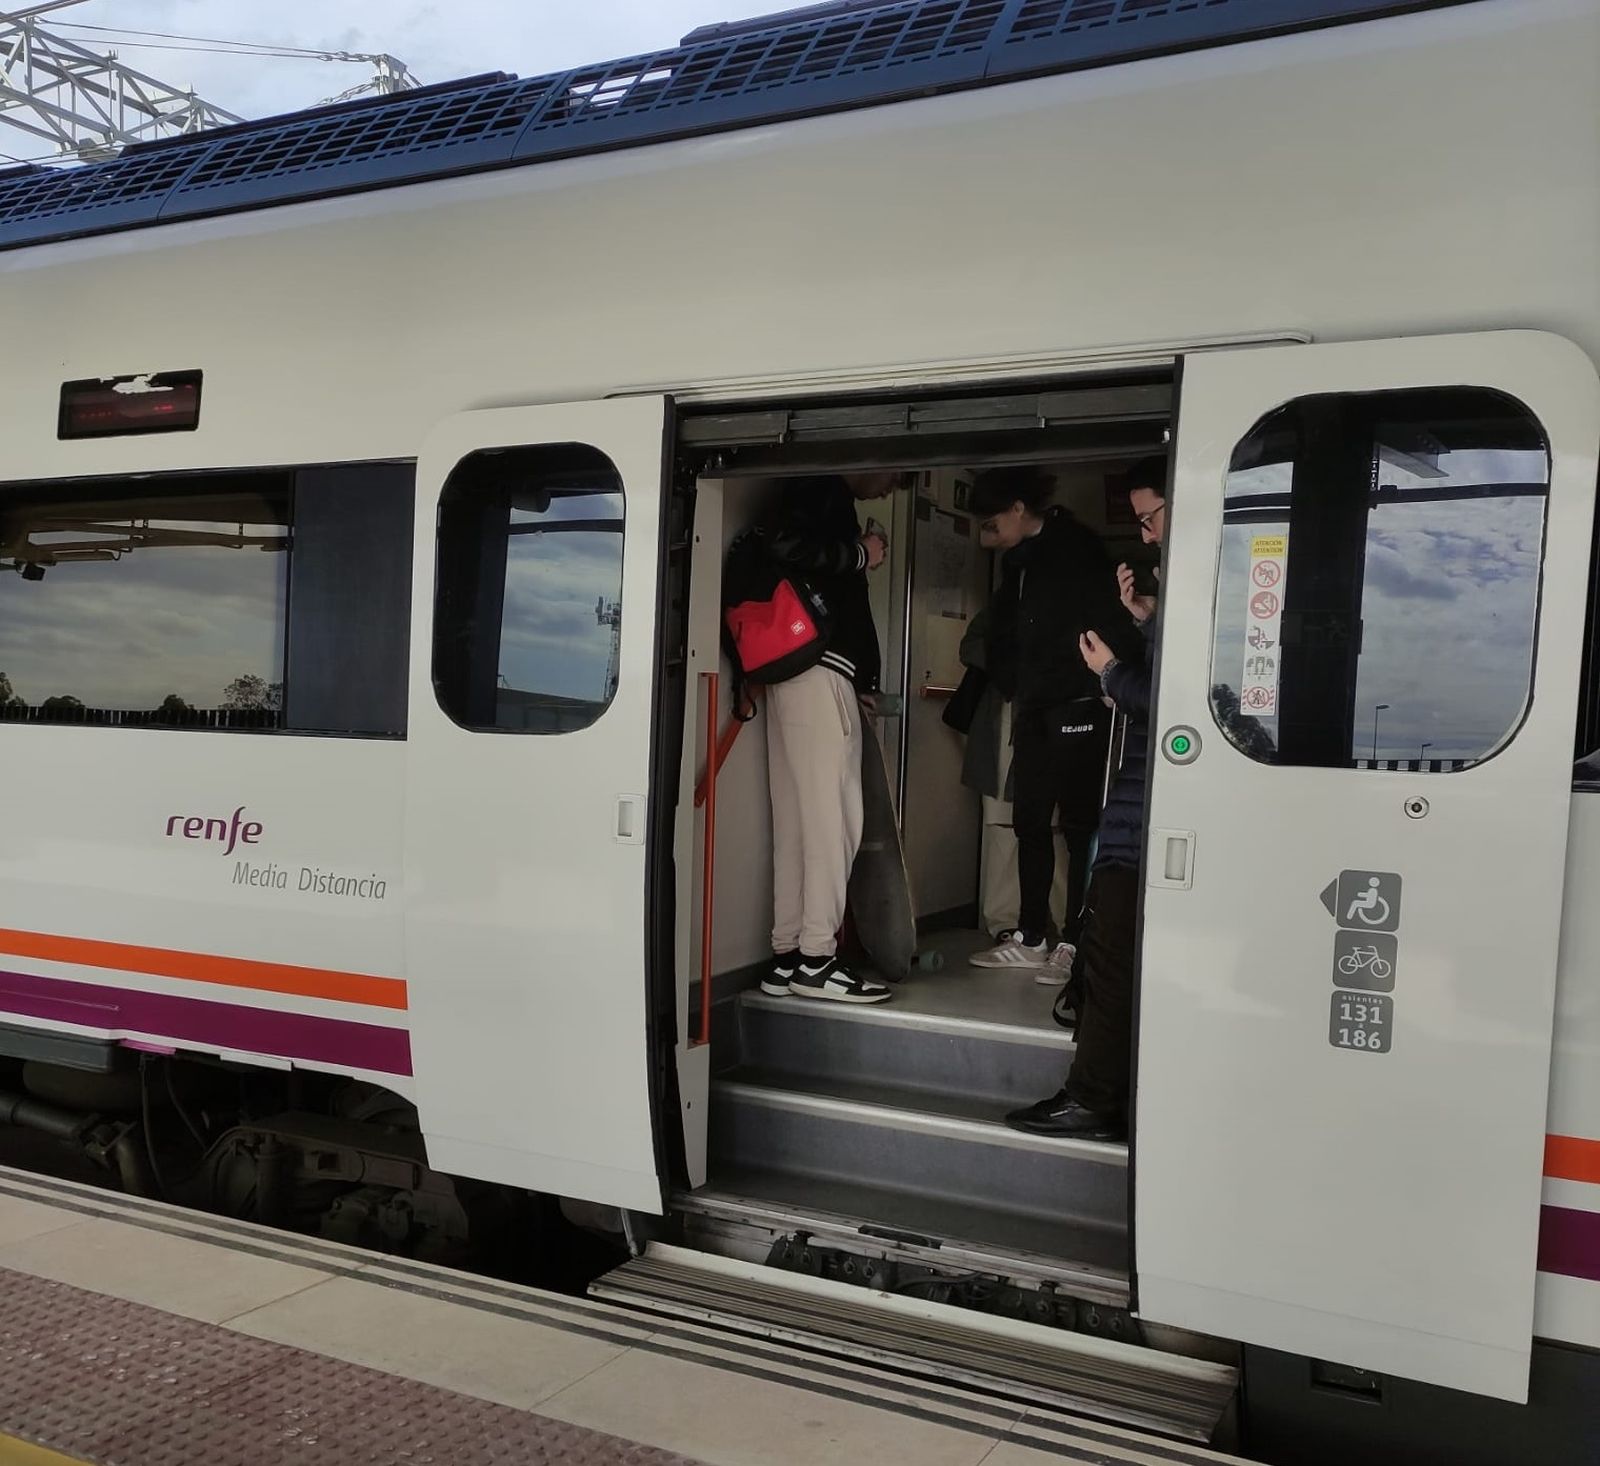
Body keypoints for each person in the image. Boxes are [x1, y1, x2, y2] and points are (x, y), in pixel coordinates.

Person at [1005, 456, 1168, 1140]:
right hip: (1145, 808)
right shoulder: (1190, 590)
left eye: (1151, 518)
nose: (1147, 535)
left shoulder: (1208, 585)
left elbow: (1175, 702)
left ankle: (1093, 1098)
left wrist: (1110, 671)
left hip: (1143, 813)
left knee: (1110, 959)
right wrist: (1145, 619)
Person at [966, 467, 1136, 982]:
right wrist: (1013, 682)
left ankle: (1076, 942)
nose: (987, 536)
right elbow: (1003, 630)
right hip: (1033, 703)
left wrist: (1107, 680)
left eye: (992, 523)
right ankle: (1032, 935)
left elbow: (1107, 618)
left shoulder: (1077, 547)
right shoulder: (1016, 562)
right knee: (1030, 819)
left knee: (1081, 824)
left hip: (1080, 700)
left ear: (1019, 508)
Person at [760, 472, 903, 1004]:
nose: (889, 489)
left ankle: (788, 956)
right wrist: (862, 554)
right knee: (832, 823)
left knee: (797, 823)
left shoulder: (803, 489)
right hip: (823, 673)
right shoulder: (826, 493)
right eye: (895, 475)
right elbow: (790, 545)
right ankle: (818, 960)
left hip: (787, 673)